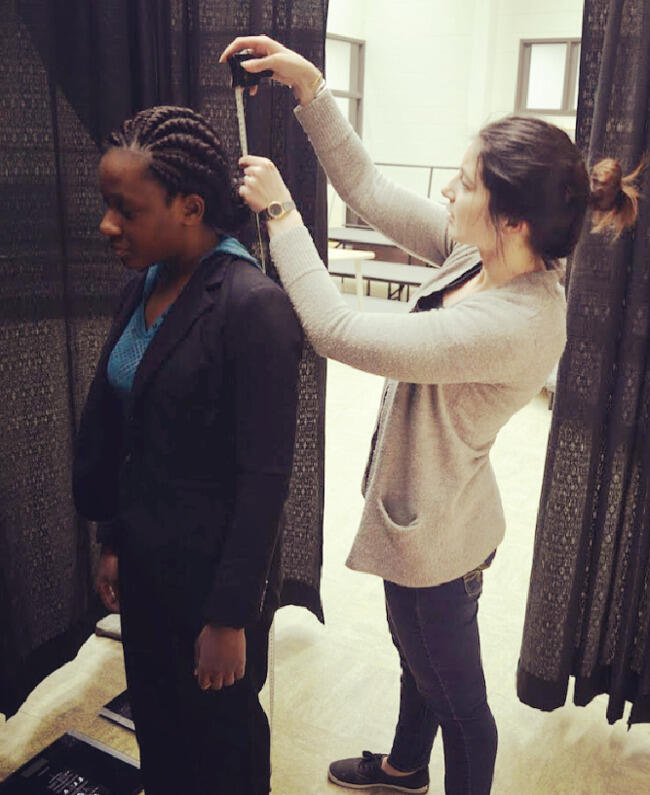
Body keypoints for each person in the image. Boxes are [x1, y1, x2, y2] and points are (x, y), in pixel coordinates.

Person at [220, 35, 642, 795]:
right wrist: (311, 88)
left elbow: (337, 331)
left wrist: (280, 213)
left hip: (439, 544)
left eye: (465, 181)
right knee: (418, 657)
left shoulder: (517, 319)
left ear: (512, 219)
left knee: (459, 703)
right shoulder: (483, 255)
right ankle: (405, 767)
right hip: (437, 513)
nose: (448, 191)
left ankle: (427, 771)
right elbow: (369, 189)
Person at [72, 104, 303, 795]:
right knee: (162, 730)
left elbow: (265, 478)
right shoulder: (142, 286)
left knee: (222, 745)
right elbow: (130, 431)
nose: (107, 225)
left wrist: (229, 616)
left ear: (190, 207)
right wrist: (114, 540)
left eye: (127, 210)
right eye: (107, 206)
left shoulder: (251, 307)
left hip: (210, 581)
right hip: (147, 564)